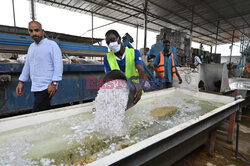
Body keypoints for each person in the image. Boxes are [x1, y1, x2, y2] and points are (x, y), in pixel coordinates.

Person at [16, 21, 63, 112]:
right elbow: (27, 66)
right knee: (44, 113)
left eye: (36, 30)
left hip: (47, 87)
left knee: (37, 113)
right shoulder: (31, 47)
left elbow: (58, 65)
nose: (34, 33)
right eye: (31, 31)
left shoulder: (52, 45)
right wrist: (21, 82)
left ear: (43, 31)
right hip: (36, 86)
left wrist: (54, 84)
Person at [104, 30, 146, 104]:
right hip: (119, 94)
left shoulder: (134, 52)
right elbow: (111, 78)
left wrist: (140, 87)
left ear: (119, 39)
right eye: (108, 43)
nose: (111, 44)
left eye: (112, 40)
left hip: (135, 92)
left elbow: (141, 71)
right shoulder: (107, 58)